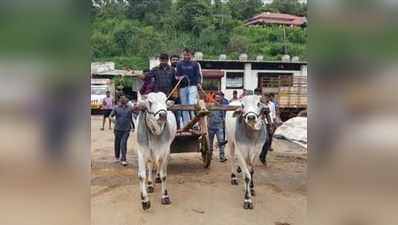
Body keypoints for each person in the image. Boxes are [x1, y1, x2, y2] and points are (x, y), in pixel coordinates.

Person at [176, 48, 202, 127]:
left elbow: (198, 75)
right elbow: (177, 76)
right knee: (184, 105)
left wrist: (199, 83)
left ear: (191, 55)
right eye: (184, 55)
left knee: (191, 103)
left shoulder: (195, 64)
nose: (186, 56)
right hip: (183, 87)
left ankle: (195, 122)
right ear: (182, 55)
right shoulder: (179, 64)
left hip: (192, 86)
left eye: (188, 55)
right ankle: (186, 123)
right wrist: (179, 78)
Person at [109, 96, 135, 166]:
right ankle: (117, 157)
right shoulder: (116, 108)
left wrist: (133, 127)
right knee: (117, 143)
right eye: (122, 101)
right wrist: (113, 120)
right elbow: (110, 116)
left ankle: (123, 159)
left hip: (126, 129)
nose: (123, 102)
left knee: (123, 143)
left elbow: (130, 118)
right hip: (117, 129)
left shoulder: (130, 108)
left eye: (125, 101)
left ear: (126, 102)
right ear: (120, 101)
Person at [208, 93, 227, 162]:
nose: (217, 99)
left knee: (221, 142)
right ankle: (209, 156)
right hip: (210, 127)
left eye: (219, 98)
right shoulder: (210, 106)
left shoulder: (222, 106)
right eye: (216, 98)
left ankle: (222, 156)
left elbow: (224, 117)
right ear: (214, 98)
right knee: (210, 143)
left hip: (219, 127)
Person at [259, 93, 276, 166]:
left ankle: (262, 156)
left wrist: (272, 124)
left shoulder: (270, 105)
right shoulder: (258, 104)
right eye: (265, 97)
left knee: (267, 142)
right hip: (258, 125)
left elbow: (270, 115)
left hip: (267, 124)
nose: (266, 98)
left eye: (268, 97)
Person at [170, 54, 183, 128]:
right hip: (170, 95)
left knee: (179, 114)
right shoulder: (168, 70)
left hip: (180, 94)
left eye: (177, 60)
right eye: (173, 60)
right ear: (170, 61)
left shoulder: (182, 69)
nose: (175, 61)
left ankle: (178, 129)